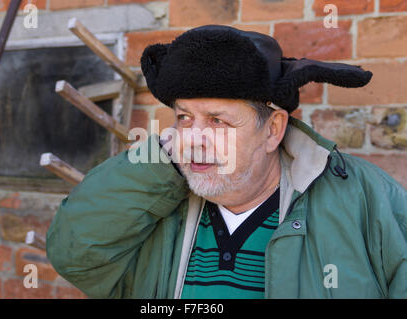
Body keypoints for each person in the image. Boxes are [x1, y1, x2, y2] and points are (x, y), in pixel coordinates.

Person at [46, 25, 407, 298]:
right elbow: (74, 255)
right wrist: (157, 163)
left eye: (217, 121)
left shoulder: (368, 199)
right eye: (185, 117)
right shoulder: (154, 203)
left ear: (273, 130)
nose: (194, 138)